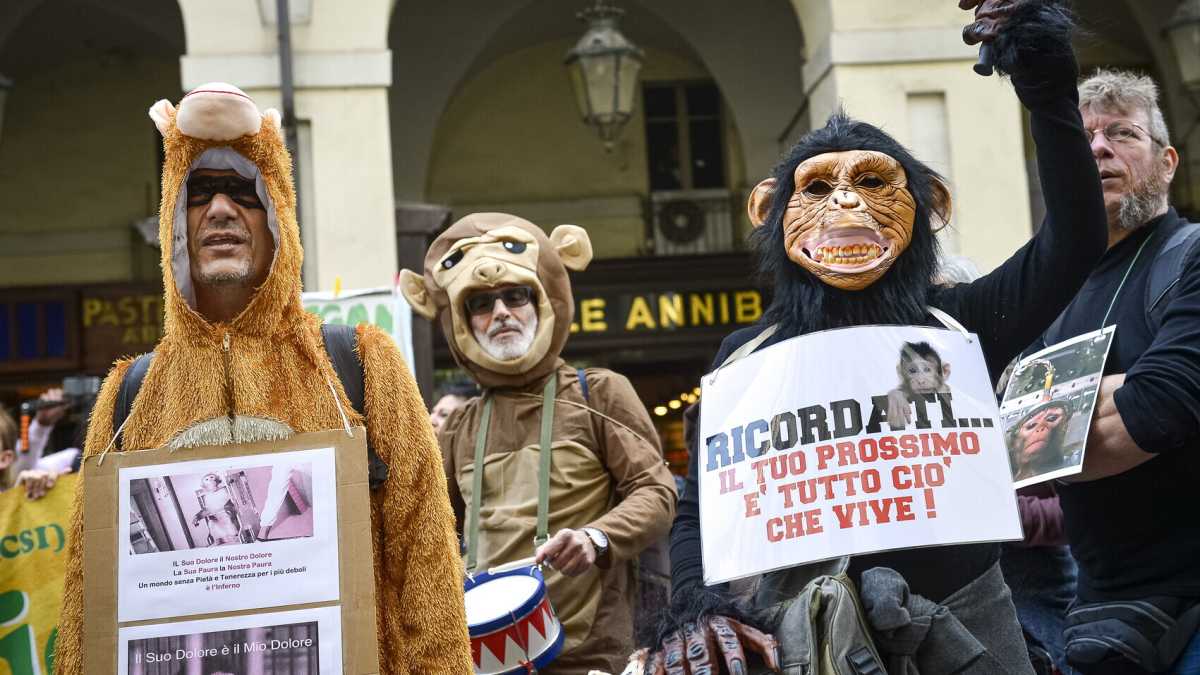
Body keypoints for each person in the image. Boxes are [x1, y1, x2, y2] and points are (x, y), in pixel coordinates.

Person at [642, 1, 1108, 671]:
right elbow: (701, 508)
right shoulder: (749, 354)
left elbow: (1075, 241)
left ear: (930, 209)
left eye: (870, 181)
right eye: (820, 187)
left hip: (969, 634)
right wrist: (699, 605)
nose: (846, 203)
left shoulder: (959, 322)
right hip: (814, 636)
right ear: (772, 213)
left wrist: (1043, 80)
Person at [53, 83, 472, 674]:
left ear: (276, 211)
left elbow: (426, 562)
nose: (220, 210)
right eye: (199, 193)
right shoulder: (130, 394)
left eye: (243, 191)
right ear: (174, 217)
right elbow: (88, 604)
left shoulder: (358, 364)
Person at [401, 213, 678, 674]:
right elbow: (431, 536)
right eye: (482, 304)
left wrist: (596, 538)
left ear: (544, 300)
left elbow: (658, 492)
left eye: (516, 296)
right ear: (461, 323)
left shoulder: (600, 391)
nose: (502, 312)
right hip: (484, 661)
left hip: (590, 659)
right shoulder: (458, 426)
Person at [1023, 68, 1200, 673]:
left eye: (1122, 134)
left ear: (1167, 161)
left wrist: (1041, 418)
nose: (1098, 148)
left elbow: (1157, 411)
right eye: (1083, 138)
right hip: (1099, 619)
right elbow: (1006, 450)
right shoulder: (1048, 292)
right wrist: (1115, 394)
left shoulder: (1191, 256)